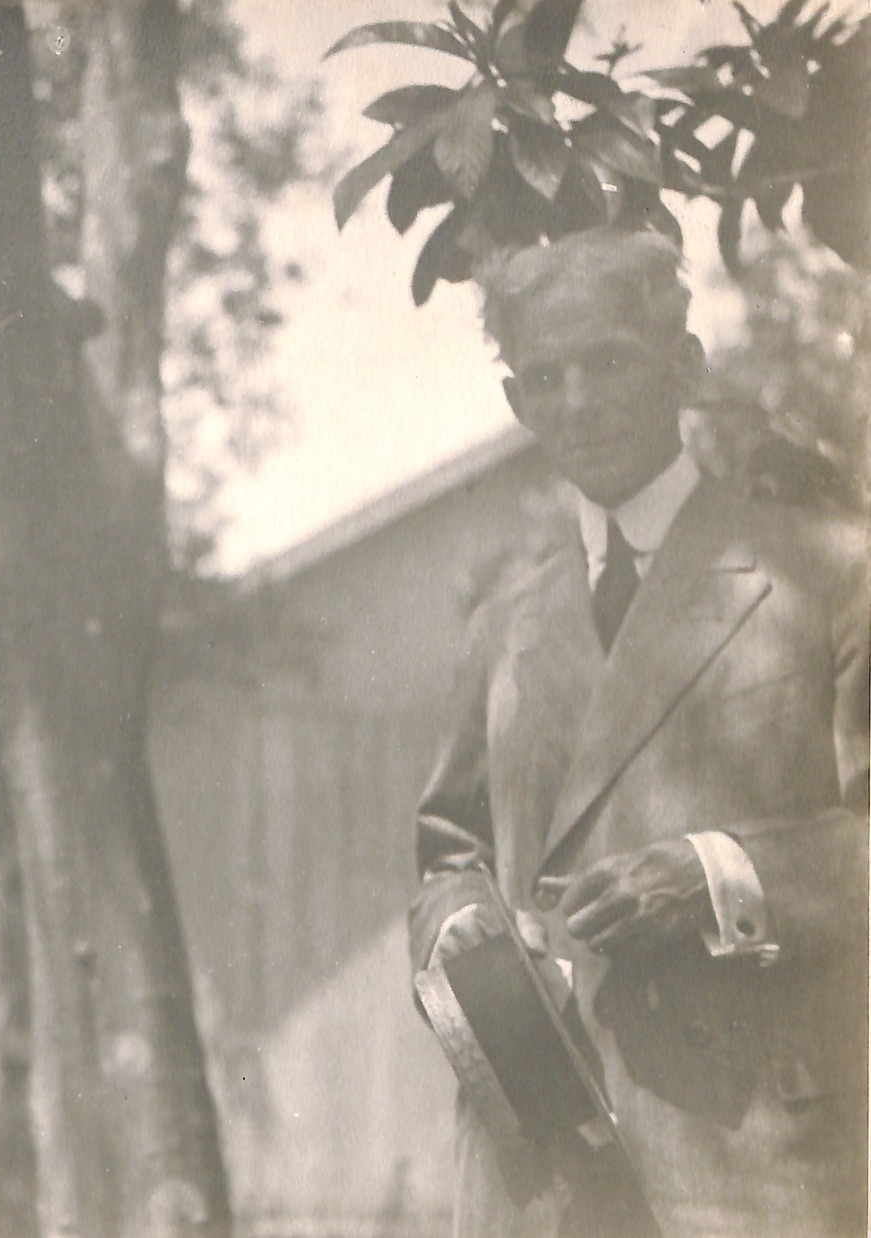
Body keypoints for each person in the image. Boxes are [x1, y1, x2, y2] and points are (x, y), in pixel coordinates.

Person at [410, 228, 867, 1237]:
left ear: (685, 364)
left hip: (753, 1164)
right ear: (517, 405)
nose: (577, 399)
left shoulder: (831, 573)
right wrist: (457, 926)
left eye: (609, 360)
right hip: (546, 1167)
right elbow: (450, 853)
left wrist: (717, 872)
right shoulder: (505, 624)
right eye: (545, 376)